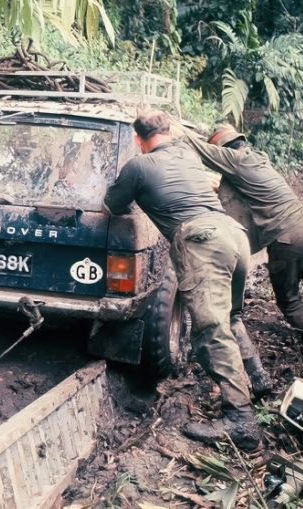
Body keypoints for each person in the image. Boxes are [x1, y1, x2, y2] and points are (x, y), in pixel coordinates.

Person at [103, 111, 268, 451]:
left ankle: (242, 421)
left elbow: (111, 204)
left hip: (202, 240)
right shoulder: (188, 154)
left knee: (210, 329)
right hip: (233, 234)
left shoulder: (139, 165)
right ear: (168, 131)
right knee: (231, 316)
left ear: (138, 139)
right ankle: (258, 378)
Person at [178, 123, 303, 342]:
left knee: (289, 300)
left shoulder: (236, 161)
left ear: (225, 149)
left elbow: (198, 148)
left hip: (288, 238)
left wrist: (172, 130)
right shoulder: (260, 159)